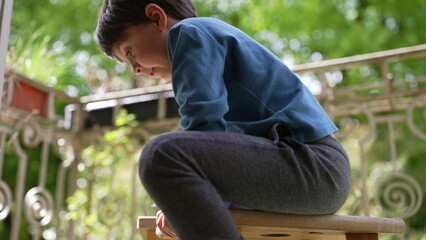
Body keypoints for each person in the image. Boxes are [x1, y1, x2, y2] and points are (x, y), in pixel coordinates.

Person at [96, 1, 351, 239]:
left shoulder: (188, 33)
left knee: (160, 156)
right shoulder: (203, 40)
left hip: (312, 165)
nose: (135, 68)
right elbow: (219, 153)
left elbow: (202, 127)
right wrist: (188, 202)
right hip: (310, 171)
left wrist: (184, 196)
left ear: (156, 17)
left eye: (129, 52)